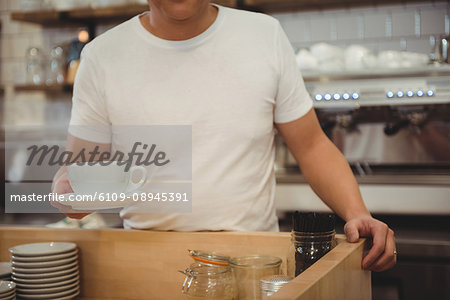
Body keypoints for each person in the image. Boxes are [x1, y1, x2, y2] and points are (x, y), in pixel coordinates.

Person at [52, 0, 396, 272]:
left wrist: (357, 214)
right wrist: (73, 194)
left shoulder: (264, 35)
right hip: (147, 261)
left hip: (256, 261)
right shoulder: (101, 56)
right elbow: (83, 177)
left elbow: (312, 146)